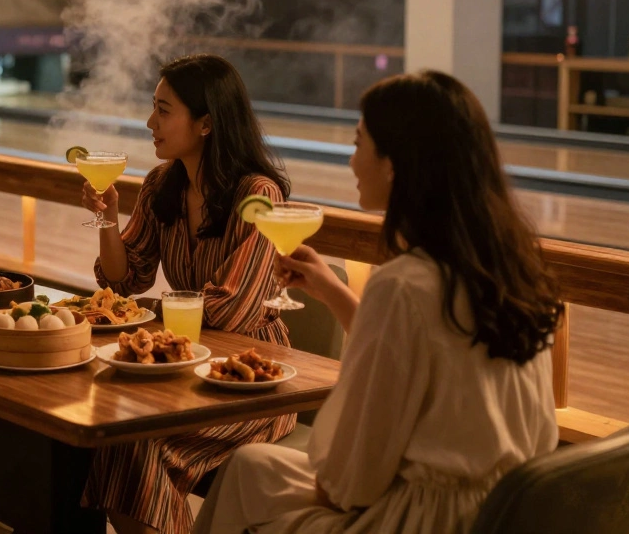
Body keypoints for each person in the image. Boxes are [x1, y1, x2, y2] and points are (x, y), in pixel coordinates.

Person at [192, 71, 561, 534]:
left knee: (253, 486)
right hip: (505, 510)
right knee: (251, 467)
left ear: (394, 164)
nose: (351, 160)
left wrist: (332, 483)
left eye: (358, 142)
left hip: (423, 519)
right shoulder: (510, 270)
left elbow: (349, 483)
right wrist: (329, 287)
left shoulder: (404, 285)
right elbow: (423, 347)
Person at [79, 53, 296, 534]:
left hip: (250, 380)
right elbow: (123, 281)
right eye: (152, 107)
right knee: (117, 438)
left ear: (205, 124)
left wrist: (155, 310)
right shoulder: (163, 183)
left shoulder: (257, 195)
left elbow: (235, 310)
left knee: (135, 444)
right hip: (185, 365)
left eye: (163, 110)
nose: (150, 122)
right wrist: (107, 218)